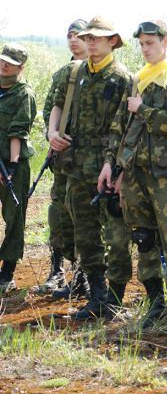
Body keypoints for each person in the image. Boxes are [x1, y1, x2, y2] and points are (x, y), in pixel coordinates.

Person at [99, 20, 167, 336]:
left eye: (150, 43)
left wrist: (142, 109)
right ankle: (156, 303)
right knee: (143, 238)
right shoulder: (138, 80)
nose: (145, 49)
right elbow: (120, 125)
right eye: (141, 44)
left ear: (166, 41)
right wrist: (110, 165)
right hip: (135, 173)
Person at [47, 16, 133, 320]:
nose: (91, 41)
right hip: (76, 165)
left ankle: (115, 297)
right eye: (89, 37)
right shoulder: (76, 73)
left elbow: (124, 129)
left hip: (107, 167)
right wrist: (52, 132)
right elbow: (58, 104)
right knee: (83, 233)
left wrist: (116, 166)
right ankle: (97, 295)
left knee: (116, 234)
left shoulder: (122, 77)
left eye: (98, 37)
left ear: (112, 41)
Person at [42, 19, 88, 295]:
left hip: (89, 159)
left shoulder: (100, 74)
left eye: (79, 35)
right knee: (58, 213)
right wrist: (51, 137)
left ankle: (85, 275)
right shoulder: (62, 74)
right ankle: (57, 270)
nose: (73, 39)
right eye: (69, 35)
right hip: (63, 157)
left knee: (87, 217)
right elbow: (52, 108)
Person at [0, 44, 36, 291]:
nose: (4, 65)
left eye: (10, 62)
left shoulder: (24, 94)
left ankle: (7, 272)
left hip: (12, 164)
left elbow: (18, 133)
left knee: (14, 216)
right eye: (2, 60)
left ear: (20, 67)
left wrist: (11, 167)